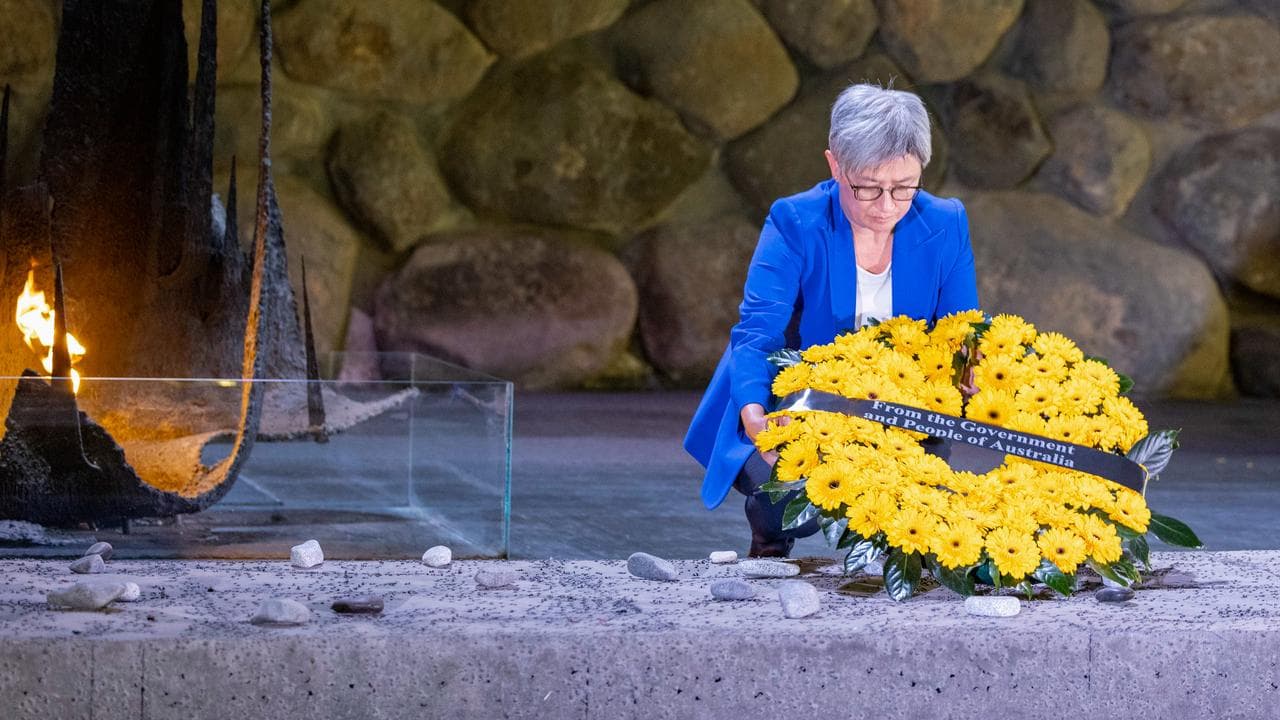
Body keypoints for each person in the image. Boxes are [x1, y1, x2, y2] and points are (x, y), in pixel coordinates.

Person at [684, 83, 980, 558]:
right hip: (798, 399)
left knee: (908, 526)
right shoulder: (795, 221)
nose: (886, 206)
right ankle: (768, 541)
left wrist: (969, 375)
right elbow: (758, 330)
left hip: (904, 404)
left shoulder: (945, 222)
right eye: (867, 187)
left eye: (904, 188)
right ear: (834, 165)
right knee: (789, 502)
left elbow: (961, 329)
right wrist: (753, 413)